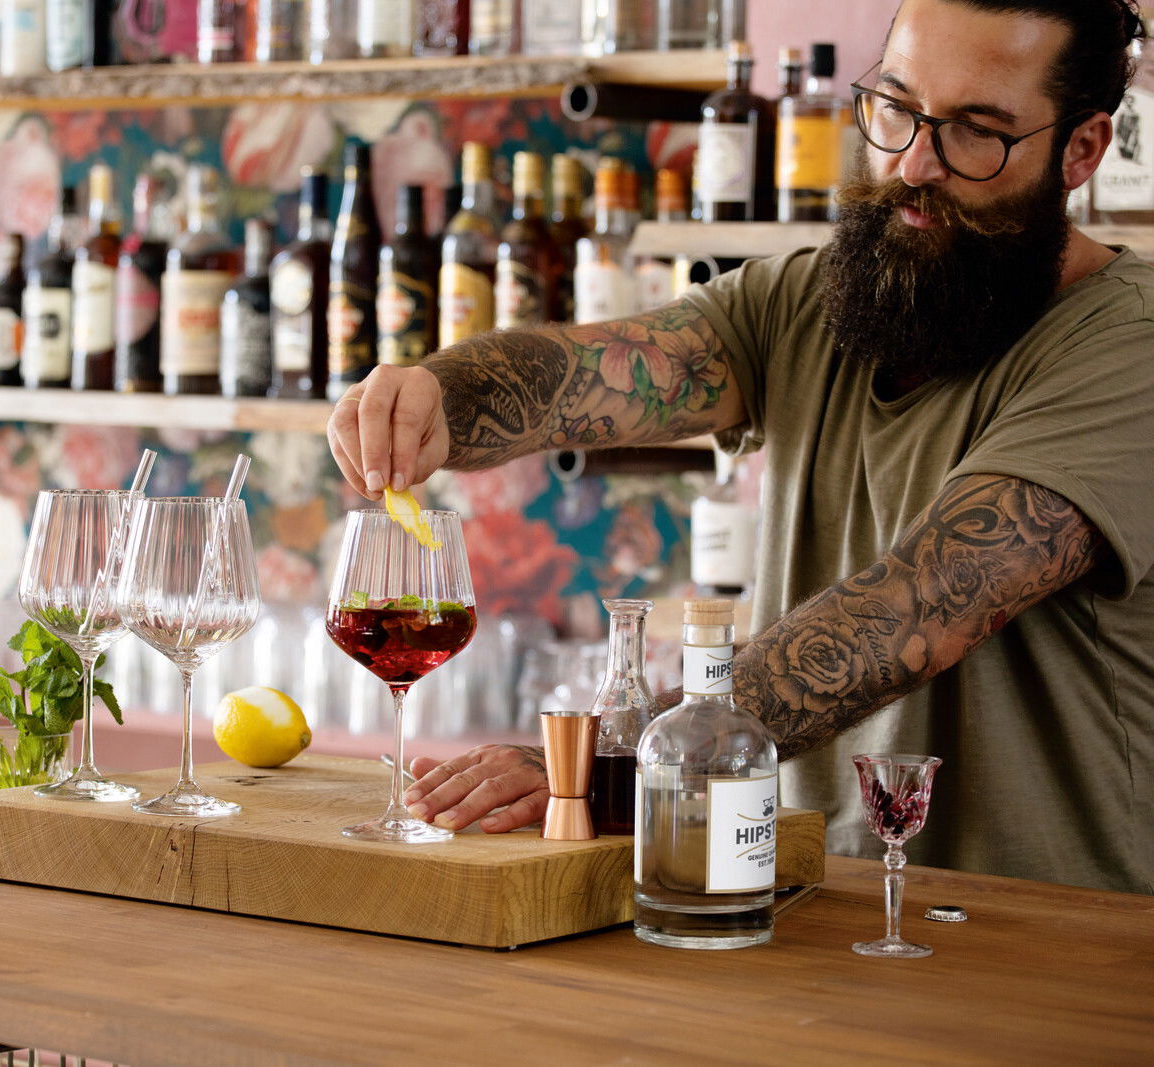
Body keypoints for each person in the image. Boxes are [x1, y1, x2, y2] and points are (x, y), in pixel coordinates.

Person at [326, 0, 1154, 895]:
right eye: (897, 109)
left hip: (1054, 937)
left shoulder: (1128, 348)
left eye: (975, 134)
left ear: (1081, 149)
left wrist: (612, 761)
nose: (914, 163)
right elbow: (601, 370)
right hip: (806, 901)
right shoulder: (813, 299)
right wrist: (442, 398)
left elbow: (914, 609)